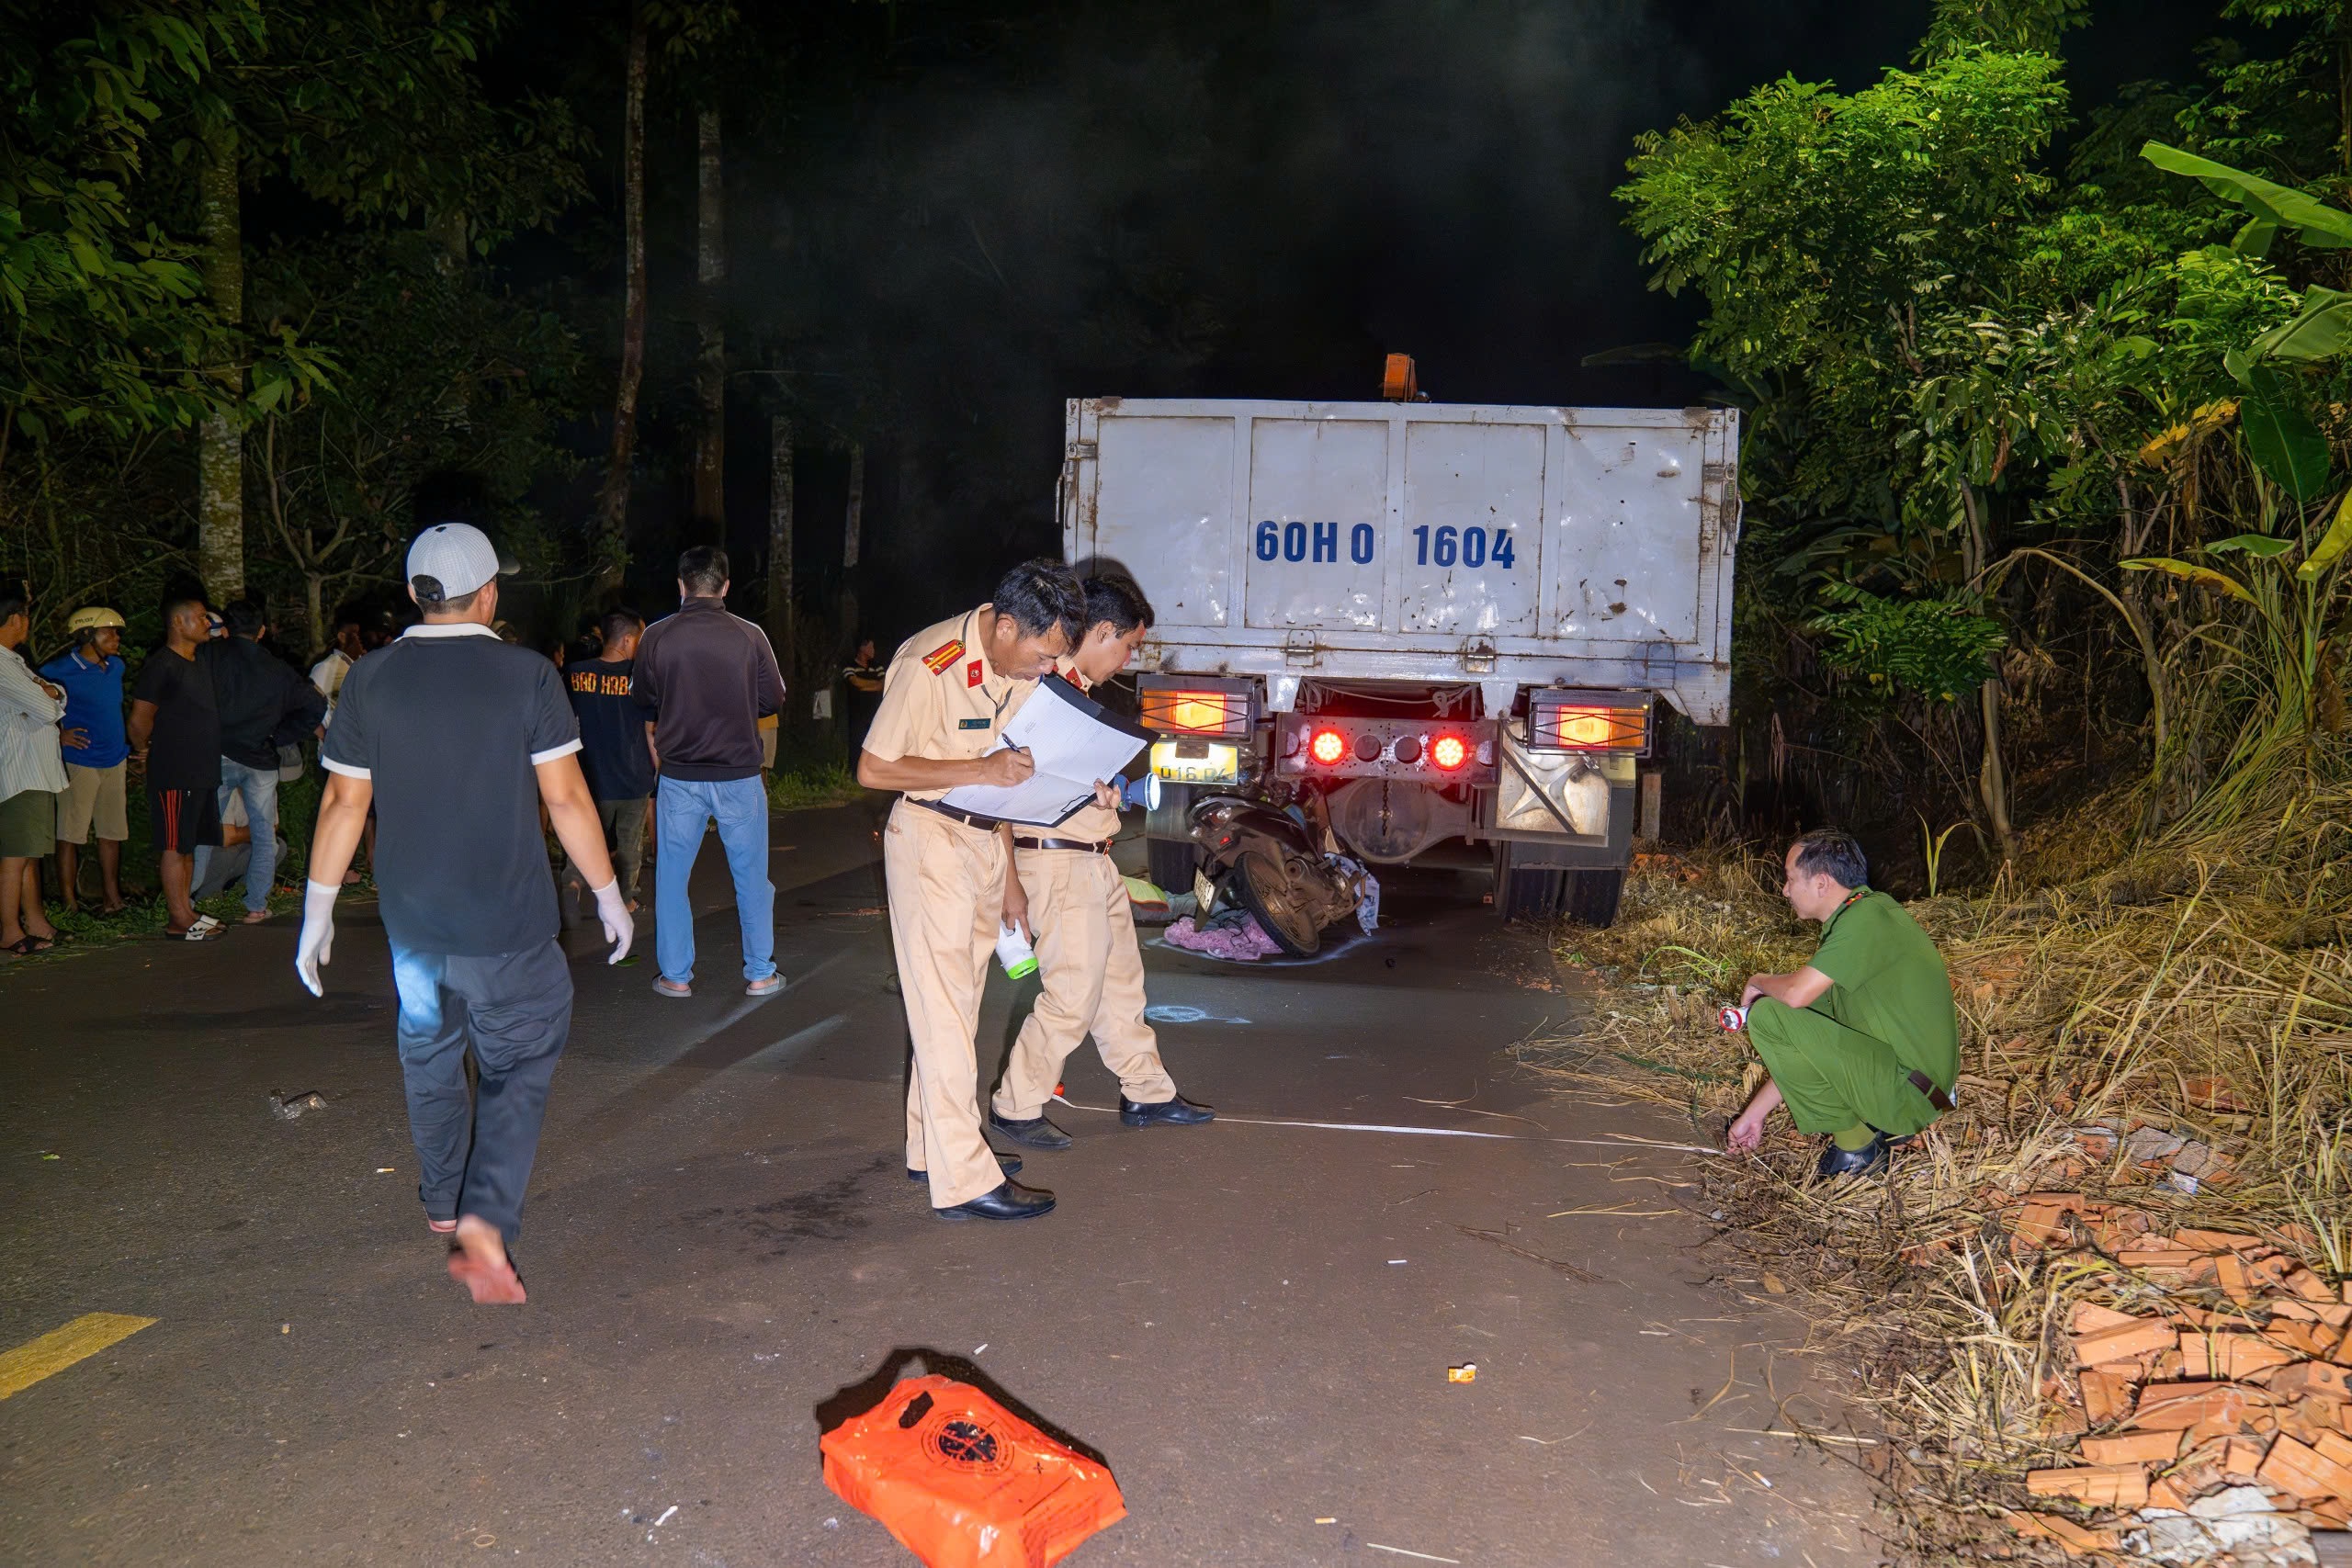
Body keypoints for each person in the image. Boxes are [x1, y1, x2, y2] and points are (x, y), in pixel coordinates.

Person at [297, 522, 633, 1305]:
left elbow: (346, 800)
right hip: (507, 925)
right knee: (521, 1052)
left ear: (416, 592)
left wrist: (319, 914)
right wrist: (608, 893)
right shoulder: (525, 676)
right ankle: (483, 1213)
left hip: (412, 928)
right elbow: (566, 795)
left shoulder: (370, 679)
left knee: (430, 1053)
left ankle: (444, 1202)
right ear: (487, 593)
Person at [855, 558, 1088, 1222]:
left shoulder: (1019, 662)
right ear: (1007, 625)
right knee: (946, 1015)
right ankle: (963, 1178)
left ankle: (935, 1146)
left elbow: (1010, 776)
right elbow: (874, 766)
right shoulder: (930, 661)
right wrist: (977, 766)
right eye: (1042, 655)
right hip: (931, 841)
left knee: (956, 1005)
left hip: (986, 843)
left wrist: (1010, 875)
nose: (1046, 670)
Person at [989, 577, 1212, 1152]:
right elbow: (1004, 783)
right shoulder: (1042, 688)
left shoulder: (1076, 691)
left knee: (1120, 990)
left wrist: (1109, 792)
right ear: (1104, 631)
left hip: (1093, 859)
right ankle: (1015, 1106)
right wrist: (1010, 880)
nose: (1130, 658)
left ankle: (1147, 1090)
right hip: (1057, 864)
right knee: (1071, 997)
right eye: (1129, 644)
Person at [1725, 829, 1960, 1179]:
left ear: (1821, 882)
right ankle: (1875, 1126)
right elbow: (1809, 1042)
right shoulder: (1867, 918)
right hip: (1915, 1085)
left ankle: (1858, 1148)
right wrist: (1754, 1114)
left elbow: (1794, 995)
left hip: (1911, 1092)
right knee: (1787, 1017)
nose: (1785, 889)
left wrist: (1758, 982)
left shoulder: (1866, 920)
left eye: (1790, 879)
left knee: (1768, 1015)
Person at [631, 546, 788, 998]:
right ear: (725, 586)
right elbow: (773, 699)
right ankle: (760, 973)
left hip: (679, 777)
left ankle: (676, 976)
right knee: (752, 879)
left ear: (681, 586)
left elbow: (642, 698)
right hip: (739, 775)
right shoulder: (750, 635)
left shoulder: (656, 636)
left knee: (672, 881)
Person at [195, 600, 327, 924]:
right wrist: (279, 735)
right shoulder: (277, 668)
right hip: (259, 758)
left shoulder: (209, 656)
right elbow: (314, 705)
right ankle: (256, 905)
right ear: (262, 631)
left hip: (218, 753)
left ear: (225, 627)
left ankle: (188, 900)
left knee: (201, 830)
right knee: (264, 832)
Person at [128, 593, 225, 941]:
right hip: (174, 770)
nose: (207, 623)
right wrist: (143, 751)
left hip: (200, 770)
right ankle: (178, 918)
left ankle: (186, 910)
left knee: (187, 844)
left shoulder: (198, 661)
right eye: (199, 617)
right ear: (177, 623)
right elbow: (140, 721)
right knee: (173, 844)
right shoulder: (162, 665)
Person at [40, 606, 131, 915]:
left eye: (117, 632)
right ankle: (69, 905)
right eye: (108, 631)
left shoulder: (115, 667)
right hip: (80, 760)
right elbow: (32, 709)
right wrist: (58, 735)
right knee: (71, 833)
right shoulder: (57, 671)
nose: (115, 638)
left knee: (112, 832)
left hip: (115, 758)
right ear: (87, 634)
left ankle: (112, 899)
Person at [562, 608, 654, 912]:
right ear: (627, 640)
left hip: (591, 776)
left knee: (585, 836)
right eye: (639, 638)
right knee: (629, 845)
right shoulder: (638, 678)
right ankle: (625, 899)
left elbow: (565, 722)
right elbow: (649, 730)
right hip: (633, 776)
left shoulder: (576, 672)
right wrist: (659, 770)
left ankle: (572, 882)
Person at [0, 586, 68, 954]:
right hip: (17, 771)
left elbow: (54, 695)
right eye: (25, 616)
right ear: (15, 619)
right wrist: (49, 695)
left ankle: (36, 922)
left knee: (28, 855)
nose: (28, 623)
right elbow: (48, 708)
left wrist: (50, 693)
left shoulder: (15, 660)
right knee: (14, 856)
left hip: (35, 770)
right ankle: (10, 931)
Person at [311, 611, 365, 716]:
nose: (360, 640)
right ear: (342, 637)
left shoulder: (357, 666)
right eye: (355, 634)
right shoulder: (325, 668)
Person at [842, 636, 886, 746]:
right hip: (857, 713)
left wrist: (865, 687)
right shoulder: (850, 665)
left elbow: (883, 684)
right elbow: (855, 681)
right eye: (870, 647)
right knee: (857, 744)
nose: (873, 650)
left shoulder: (877, 666)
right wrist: (875, 684)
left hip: (875, 712)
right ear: (862, 648)